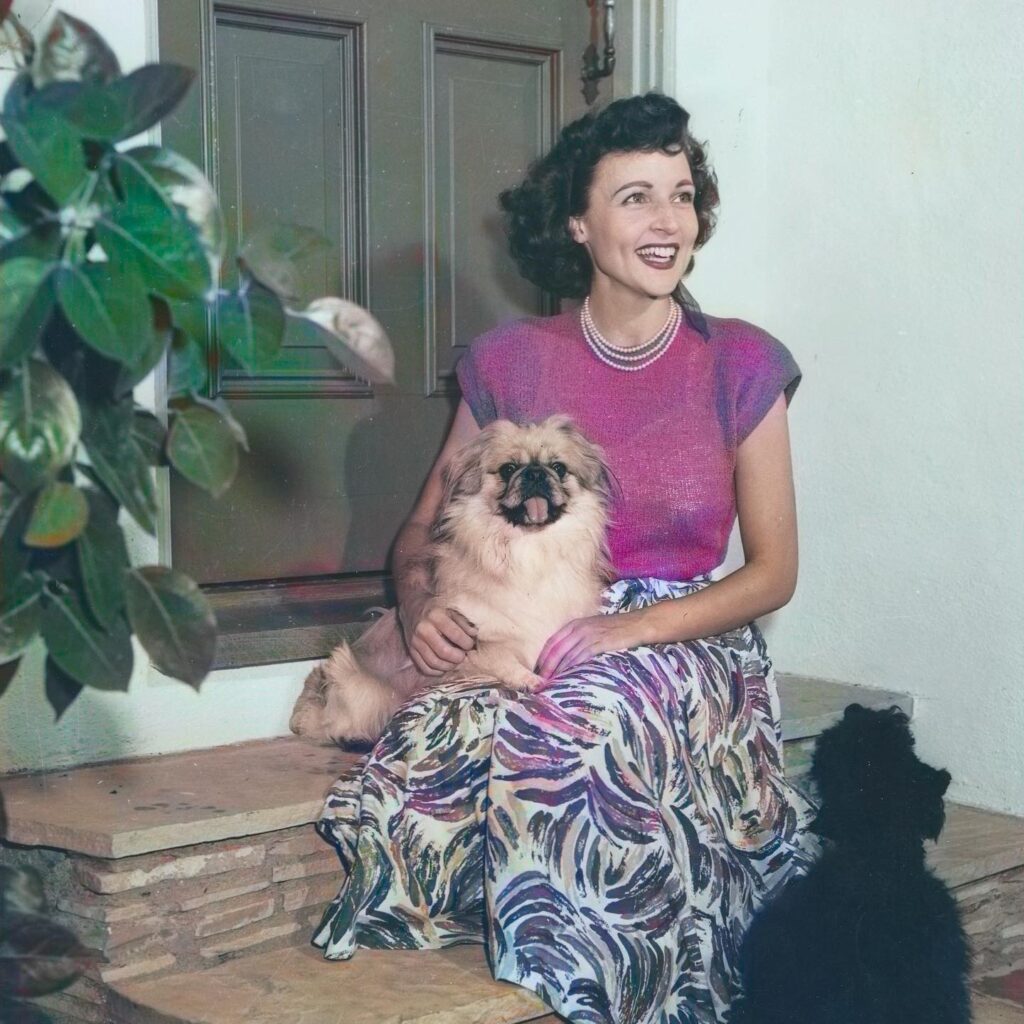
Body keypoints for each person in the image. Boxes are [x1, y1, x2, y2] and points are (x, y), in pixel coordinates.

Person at [312, 92, 820, 1024]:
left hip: (685, 637)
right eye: (636, 197)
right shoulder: (511, 359)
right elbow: (420, 533)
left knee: (574, 723)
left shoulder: (742, 363)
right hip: (525, 617)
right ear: (578, 224)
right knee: (446, 728)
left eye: (681, 195)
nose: (667, 220)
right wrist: (422, 611)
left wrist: (632, 630)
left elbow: (773, 572)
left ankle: (600, 981)